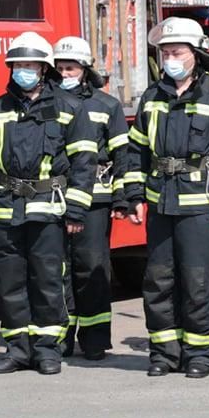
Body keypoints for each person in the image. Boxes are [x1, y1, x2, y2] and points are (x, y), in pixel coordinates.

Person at [127, 17, 209, 379]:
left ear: (194, 54)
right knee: (159, 281)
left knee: (200, 281)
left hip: (201, 205)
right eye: (165, 52)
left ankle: (202, 354)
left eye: (177, 52)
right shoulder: (152, 98)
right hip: (161, 204)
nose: (170, 58)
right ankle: (164, 353)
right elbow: (136, 152)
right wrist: (133, 194)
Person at [0, 31, 93, 376]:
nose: (23, 71)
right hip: (6, 208)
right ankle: (17, 349)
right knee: (9, 281)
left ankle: (47, 349)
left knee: (46, 280)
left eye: (30, 65)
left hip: (49, 209)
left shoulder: (69, 109)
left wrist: (76, 210)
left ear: (44, 69)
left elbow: (84, 163)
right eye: (18, 65)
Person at [54, 35, 128, 361]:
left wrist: (123, 197)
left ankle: (95, 339)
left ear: (84, 69)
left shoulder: (107, 105)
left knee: (92, 267)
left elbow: (122, 155)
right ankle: (60, 336)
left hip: (95, 199)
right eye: (60, 68)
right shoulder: (47, 102)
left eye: (71, 68)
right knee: (59, 270)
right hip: (56, 197)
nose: (65, 73)